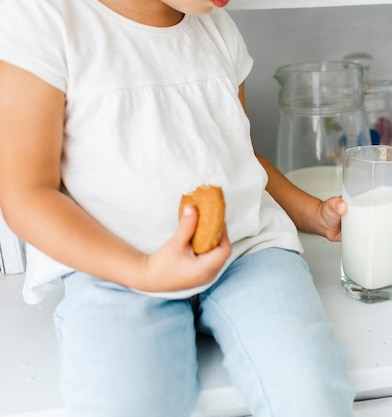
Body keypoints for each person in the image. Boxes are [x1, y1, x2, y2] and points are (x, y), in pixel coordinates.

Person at [0, 0, 355, 416]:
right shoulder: (45, 20)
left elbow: (239, 156)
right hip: (115, 273)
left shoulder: (217, 29)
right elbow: (27, 196)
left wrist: (311, 213)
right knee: (125, 403)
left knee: (309, 391)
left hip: (247, 252)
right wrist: (143, 272)